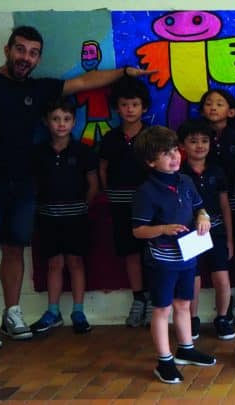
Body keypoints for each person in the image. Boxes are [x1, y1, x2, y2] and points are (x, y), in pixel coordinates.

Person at [0, 25, 151, 349]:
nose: (26, 57)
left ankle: (12, 314)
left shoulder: (39, 89)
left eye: (33, 53)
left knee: (15, 249)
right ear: (7, 50)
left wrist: (124, 72)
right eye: (20, 49)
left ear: (38, 58)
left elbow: (84, 81)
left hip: (22, 185)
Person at [131, 126, 217, 384]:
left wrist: (203, 218)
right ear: (151, 161)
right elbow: (138, 231)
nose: (175, 157)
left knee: (183, 304)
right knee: (162, 309)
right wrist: (163, 229)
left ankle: (186, 349)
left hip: (188, 257)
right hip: (162, 262)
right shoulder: (146, 191)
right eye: (166, 154)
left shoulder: (186, 181)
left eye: (175, 151)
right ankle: (164, 360)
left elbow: (201, 208)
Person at [28, 98, 99, 335]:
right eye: (56, 119)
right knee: (54, 264)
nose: (61, 124)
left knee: (76, 263)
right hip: (48, 218)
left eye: (66, 119)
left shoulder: (83, 152)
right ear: (46, 122)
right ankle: (53, 312)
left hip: (76, 218)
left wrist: (82, 207)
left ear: (74, 122)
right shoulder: (38, 153)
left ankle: (78, 311)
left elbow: (93, 185)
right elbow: (33, 185)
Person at [100, 76, 153, 328]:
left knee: (151, 250)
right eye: (124, 104)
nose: (130, 109)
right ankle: (139, 298)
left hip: (149, 203)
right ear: (117, 108)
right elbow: (103, 167)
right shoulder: (110, 138)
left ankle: (154, 298)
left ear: (144, 107)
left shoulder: (152, 136)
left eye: (135, 104)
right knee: (130, 252)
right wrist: (107, 191)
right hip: (120, 202)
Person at [198, 89, 235, 326]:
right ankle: (225, 302)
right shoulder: (199, 137)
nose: (213, 107)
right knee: (221, 254)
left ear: (230, 112)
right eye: (209, 103)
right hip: (210, 204)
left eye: (220, 104)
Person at [178, 119, 235, 340]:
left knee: (222, 278)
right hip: (190, 234)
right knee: (193, 278)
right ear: (182, 146)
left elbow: (225, 205)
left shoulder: (217, 171)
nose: (200, 145)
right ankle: (192, 319)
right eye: (193, 141)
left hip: (217, 231)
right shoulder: (179, 173)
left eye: (204, 141)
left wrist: (230, 238)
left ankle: (222, 318)